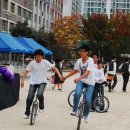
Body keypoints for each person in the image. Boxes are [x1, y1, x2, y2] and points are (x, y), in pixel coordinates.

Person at [21, 49, 62, 119]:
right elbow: (26, 71)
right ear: (35, 57)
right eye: (36, 57)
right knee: (29, 97)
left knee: (39, 94)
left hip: (42, 82)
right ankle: (27, 112)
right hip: (33, 82)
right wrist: (22, 80)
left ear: (42, 56)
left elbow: (54, 68)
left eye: (39, 56)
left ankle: (41, 105)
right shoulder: (32, 63)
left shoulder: (45, 62)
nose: (38, 58)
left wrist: (60, 76)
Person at [62, 45, 95, 123]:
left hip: (90, 83)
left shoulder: (90, 60)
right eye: (80, 51)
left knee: (88, 100)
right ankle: (74, 110)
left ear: (87, 52)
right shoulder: (78, 61)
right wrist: (65, 77)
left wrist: (79, 78)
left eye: (82, 51)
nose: (80, 52)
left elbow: (87, 72)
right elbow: (75, 71)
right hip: (81, 81)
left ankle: (86, 115)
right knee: (77, 93)